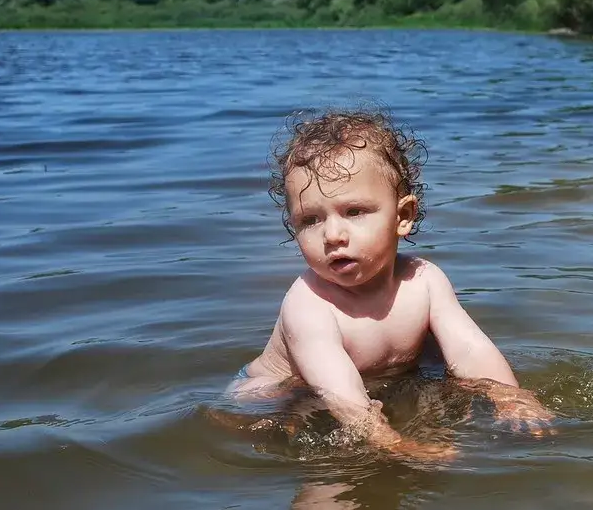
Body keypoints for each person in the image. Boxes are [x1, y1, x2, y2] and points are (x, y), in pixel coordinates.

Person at [224, 106, 555, 461]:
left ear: (402, 217)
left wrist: (512, 398)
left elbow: (469, 350)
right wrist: (391, 443)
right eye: (310, 220)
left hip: (379, 383)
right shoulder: (309, 303)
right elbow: (339, 390)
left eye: (354, 212)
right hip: (276, 392)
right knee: (299, 447)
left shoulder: (425, 281)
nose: (333, 235)